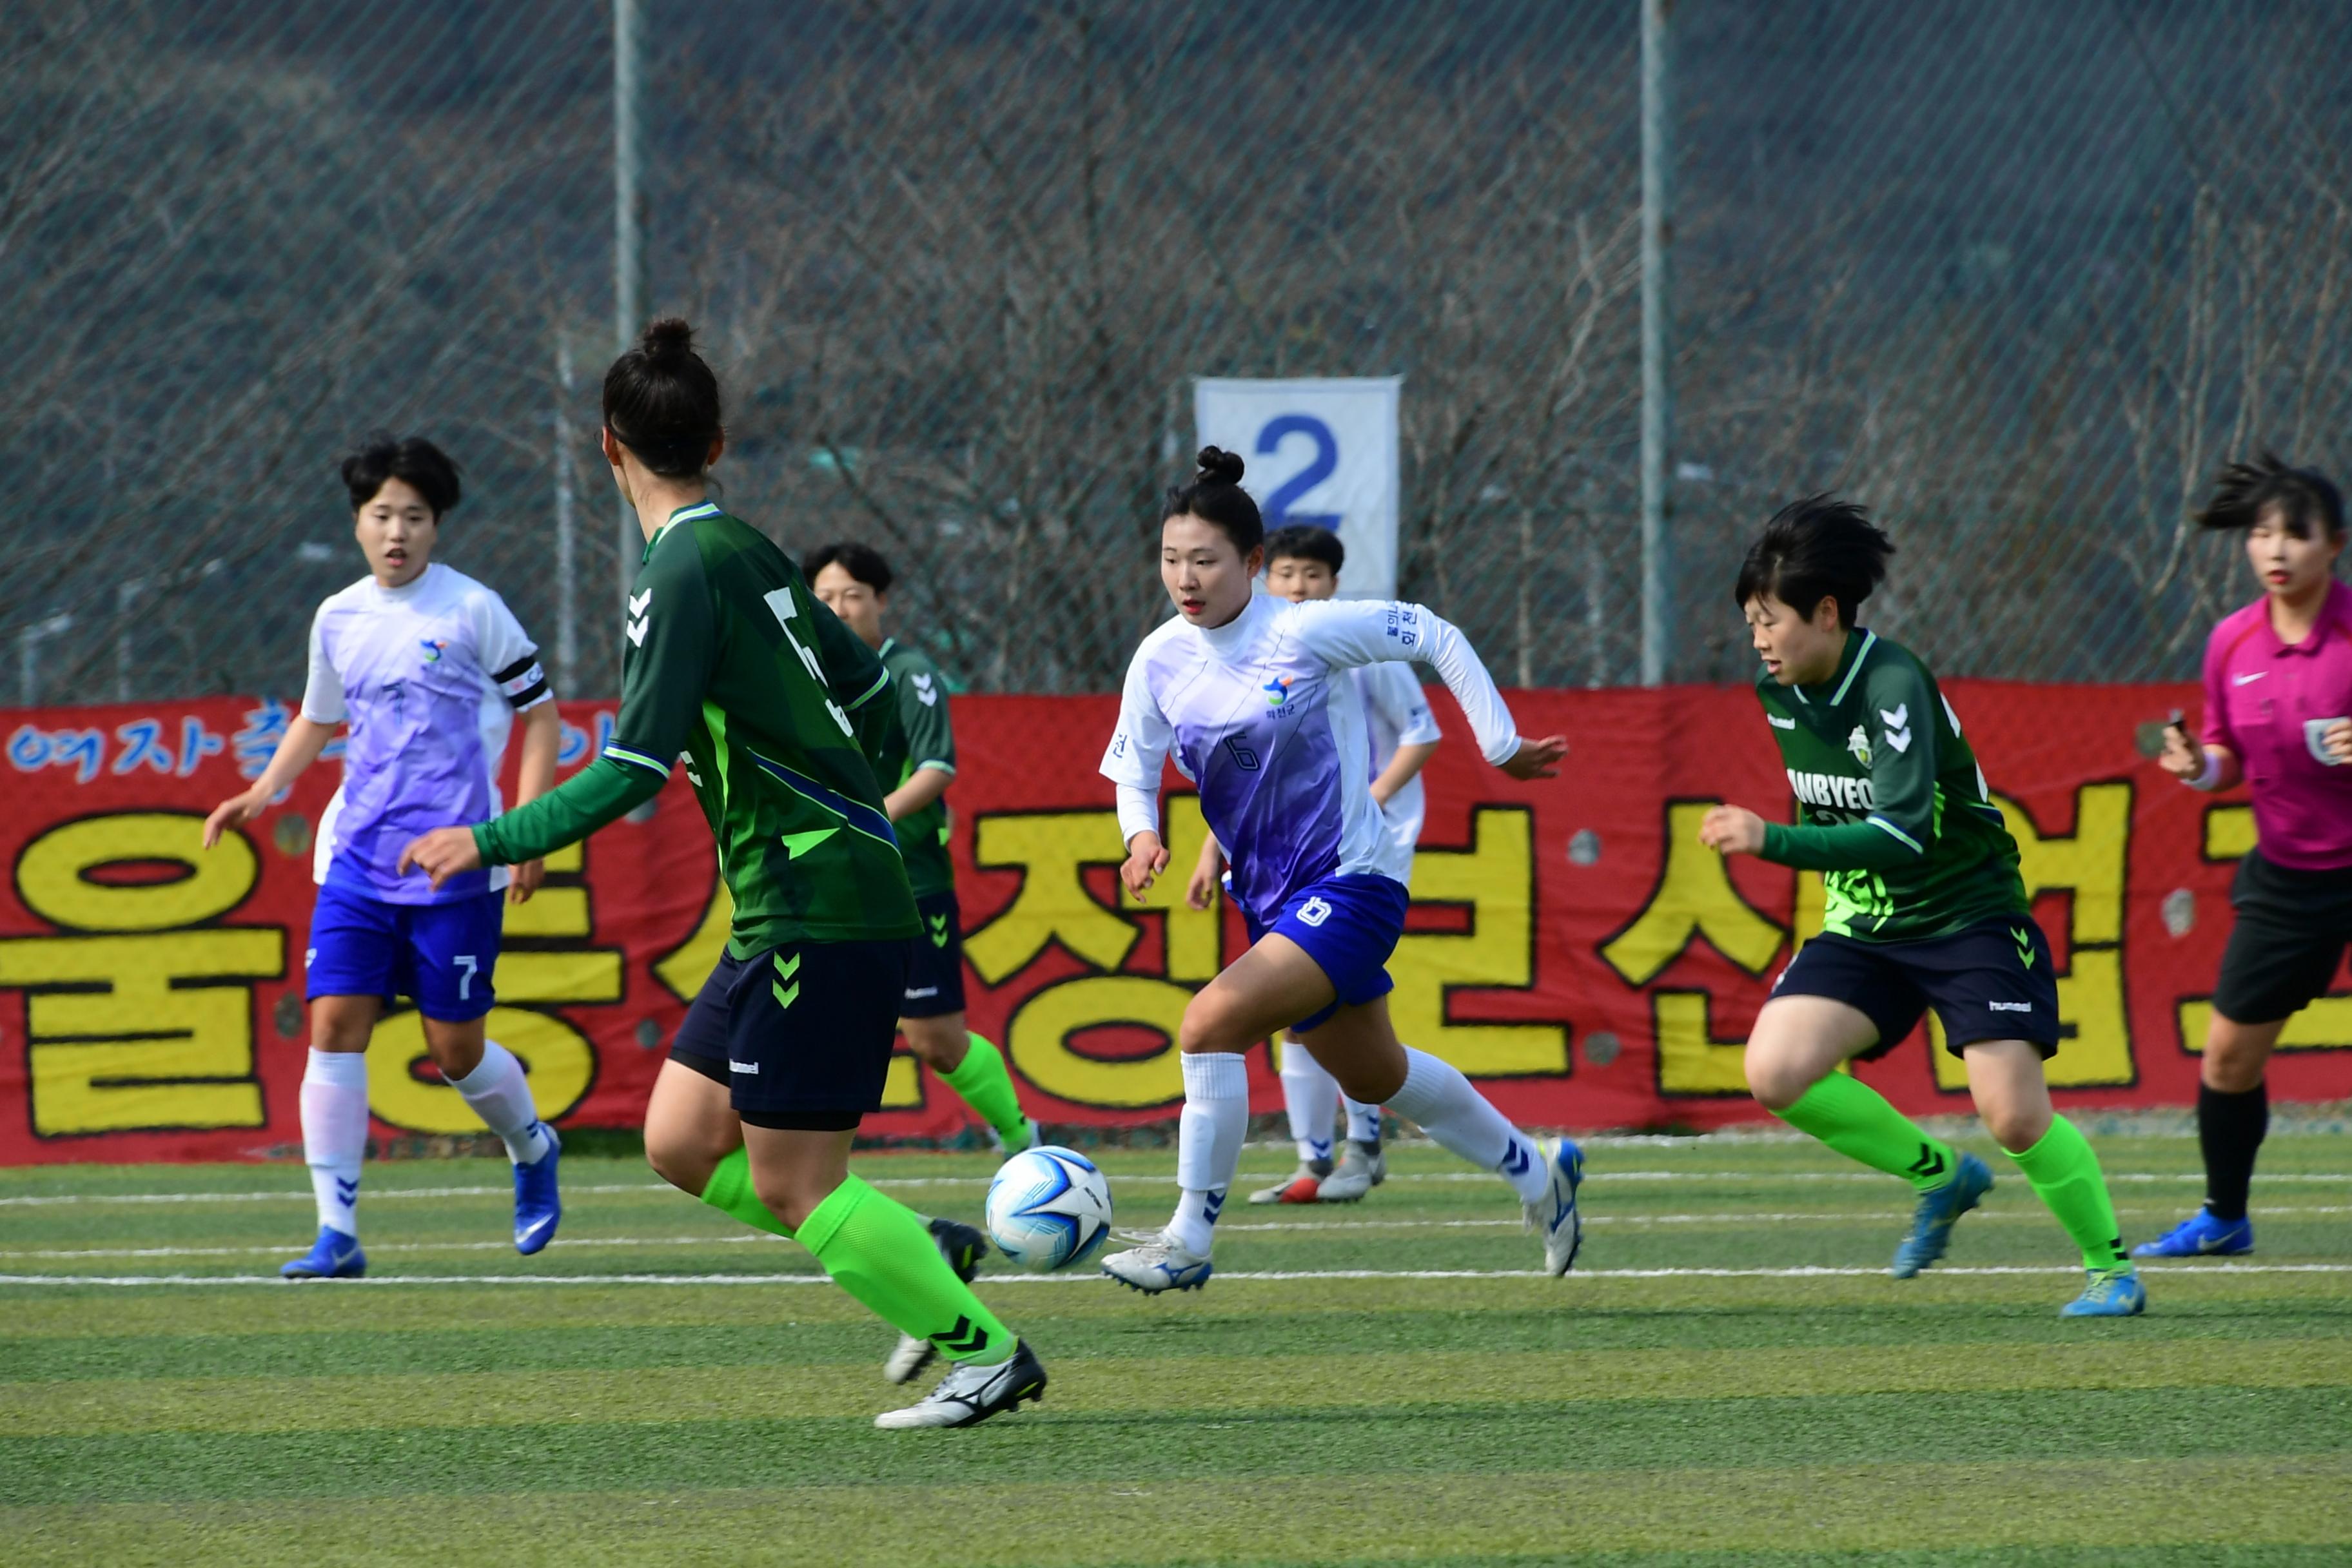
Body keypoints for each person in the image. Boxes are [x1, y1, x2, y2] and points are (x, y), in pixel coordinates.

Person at [400, 318, 1044, 1428]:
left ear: (608, 448)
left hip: (814, 904)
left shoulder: (678, 573)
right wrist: (820, 783)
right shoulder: (743, 550)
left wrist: (491, 837)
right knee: (680, 1141)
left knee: (797, 1179)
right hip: (793, 901)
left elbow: (633, 768)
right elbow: (875, 695)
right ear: (719, 439)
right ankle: (921, 1254)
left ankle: (984, 1349)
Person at [1096, 447, 1580, 1293]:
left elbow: (1434, 633)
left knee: (1208, 1024)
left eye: (1205, 559)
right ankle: (1540, 1177)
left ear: (1251, 564)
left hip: (1355, 885)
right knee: (1376, 1074)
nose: (1186, 576)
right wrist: (1140, 838)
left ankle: (1188, 1240)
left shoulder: (1301, 629)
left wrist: (1500, 744)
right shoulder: (1159, 659)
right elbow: (1133, 769)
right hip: (1272, 902)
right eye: (1172, 559)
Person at [1698, 495, 2144, 1317]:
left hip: (1967, 915)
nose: (1757, 639)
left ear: (1826, 613)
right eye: (1750, 622)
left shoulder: (1893, 681)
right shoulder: (1782, 693)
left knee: (2011, 1114)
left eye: (1770, 620)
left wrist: (1773, 840)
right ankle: (1943, 1177)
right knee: (1776, 1069)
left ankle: (2110, 1267)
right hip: (1867, 926)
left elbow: (1901, 834)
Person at [203, 435, 565, 1279]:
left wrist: (534, 829)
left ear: (437, 526)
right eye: (381, 516)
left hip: (458, 861)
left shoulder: (474, 610)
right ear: (359, 524)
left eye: (414, 516)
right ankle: (337, 1234)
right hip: (358, 860)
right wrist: (263, 791)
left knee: (454, 1052)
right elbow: (318, 720)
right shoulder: (338, 616)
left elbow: (541, 715)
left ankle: (533, 1147)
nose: (396, 532)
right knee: (334, 1025)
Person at [807, 539, 1036, 1386]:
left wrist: (863, 820)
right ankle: (923, 1265)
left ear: (881, 603)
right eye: (824, 597)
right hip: (820, 897)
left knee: (936, 1041)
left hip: (906, 884)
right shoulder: (800, 679)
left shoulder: (908, 673)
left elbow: (938, 766)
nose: (839, 610)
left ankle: (1021, 1142)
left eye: (854, 596)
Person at [1183, 524, 1442, 1206]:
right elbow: (1247, 774)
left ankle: (1358, 1146)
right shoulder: (1254, 656)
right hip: (1279, 854)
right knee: (1301, 1010)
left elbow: (1422, 732)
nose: (1299, 587)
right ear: (1265, 577)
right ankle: (1317, 1157)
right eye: (1288, 574)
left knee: (1325, 998)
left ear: (1334, 583)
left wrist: (1370, 797)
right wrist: (1214, 848)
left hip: (1359, 851)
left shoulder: (1356, 647)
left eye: (1315, 576)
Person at [2138, 454, 2352, 1259]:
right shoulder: (2232, 642)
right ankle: (2223, 1217)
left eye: (2296, 533)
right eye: (2262, 533)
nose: (2276, 548)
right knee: (2228, 1055)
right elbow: (2225, 749)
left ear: (2335, 544)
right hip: (2290, 876)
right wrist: (2200, 768)